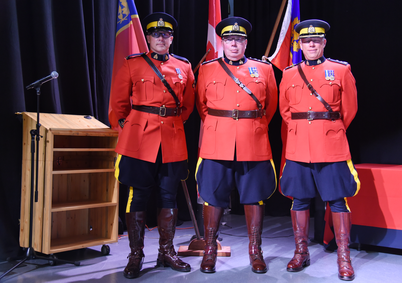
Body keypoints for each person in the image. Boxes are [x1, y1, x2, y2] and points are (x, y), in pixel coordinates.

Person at [109, 12, 195, 279]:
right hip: (139, 140)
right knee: (139, 195)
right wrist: (133, 130)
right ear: (148, 37)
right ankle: (135, 255)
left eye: (166, 34)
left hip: (171, 138)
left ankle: (166, 252)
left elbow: (188, 105)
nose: (161, 38)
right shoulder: (132, 64)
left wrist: (168, 124)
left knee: (169, 195)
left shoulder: (184, 66)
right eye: (156, 34)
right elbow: (118, 106)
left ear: (171, 38)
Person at [278, 19, 360, 281]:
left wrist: (330, 129)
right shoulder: (289, 73)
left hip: (331, 144)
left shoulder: (340, 70)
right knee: (299, 199)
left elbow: (349, 110)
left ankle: (343, 256)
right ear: (300, 44)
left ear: (324, 42)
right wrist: (304, 131)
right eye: (305, 40)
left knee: (337, 200)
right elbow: (285, 111)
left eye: (316, 40)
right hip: (299, 145)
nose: (311, 43)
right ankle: (301, 252)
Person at [195, 17, 278, 274]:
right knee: (213, 195)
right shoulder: (207, 69)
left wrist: (251, 127)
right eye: (229, 39)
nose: (234, 43)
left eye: (239, 39)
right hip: (217, 140)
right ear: (222, 41)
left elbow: (271, 106)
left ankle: (255, 250)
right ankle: (210, 249)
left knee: (254, 196)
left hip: (252, 140)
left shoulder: (263, 69)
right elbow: (202, 106)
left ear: (245, 42)